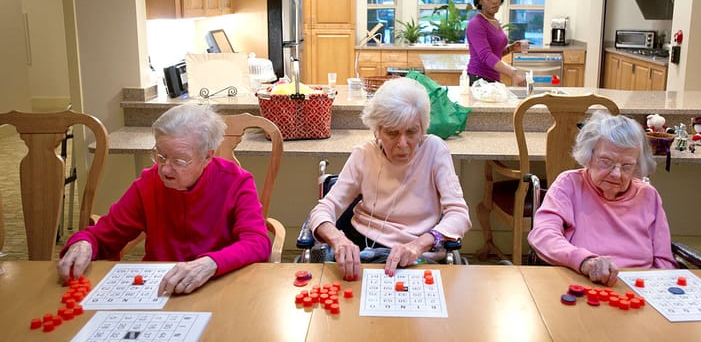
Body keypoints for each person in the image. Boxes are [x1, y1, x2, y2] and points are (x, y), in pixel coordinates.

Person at [58, 104, 271, 295]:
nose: (165, 169)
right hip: (159, 289)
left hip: (217, 286)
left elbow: (257, 242)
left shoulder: (236, 181)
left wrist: (210, 263)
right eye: (160, 156)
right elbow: (103, 236)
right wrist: (83, 243)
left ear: (207, 156)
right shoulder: (148, 183)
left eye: (179, 160)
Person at [308, 77, 471, 280]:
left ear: (423, 128)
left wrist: (420, 244)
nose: (402, 143)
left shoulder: (435, 151)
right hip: (361, 250)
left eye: (412, 132)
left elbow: (459, 215)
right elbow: (323, 210)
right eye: (392, 133)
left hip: (416, 254)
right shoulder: (364, 154)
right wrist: (338, 240)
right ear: (377, 130)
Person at [527, 111, 677, 286]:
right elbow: (543, 235)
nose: (616, 173)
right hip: (583, 284)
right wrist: (584, 261)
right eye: (606, 161)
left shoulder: (648, 196)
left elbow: (664, 263)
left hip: (639, 291)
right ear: (589, 156)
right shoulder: (569, 184)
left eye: (627, 166)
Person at [466, 0, 526, 86]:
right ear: (480, 1)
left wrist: (510, 48)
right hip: (479, 79)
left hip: (492, 78)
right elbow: (486, 55)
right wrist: (513, 74)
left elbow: (495, 53)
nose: (495, 1)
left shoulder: (494, 21)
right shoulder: (476, 24)